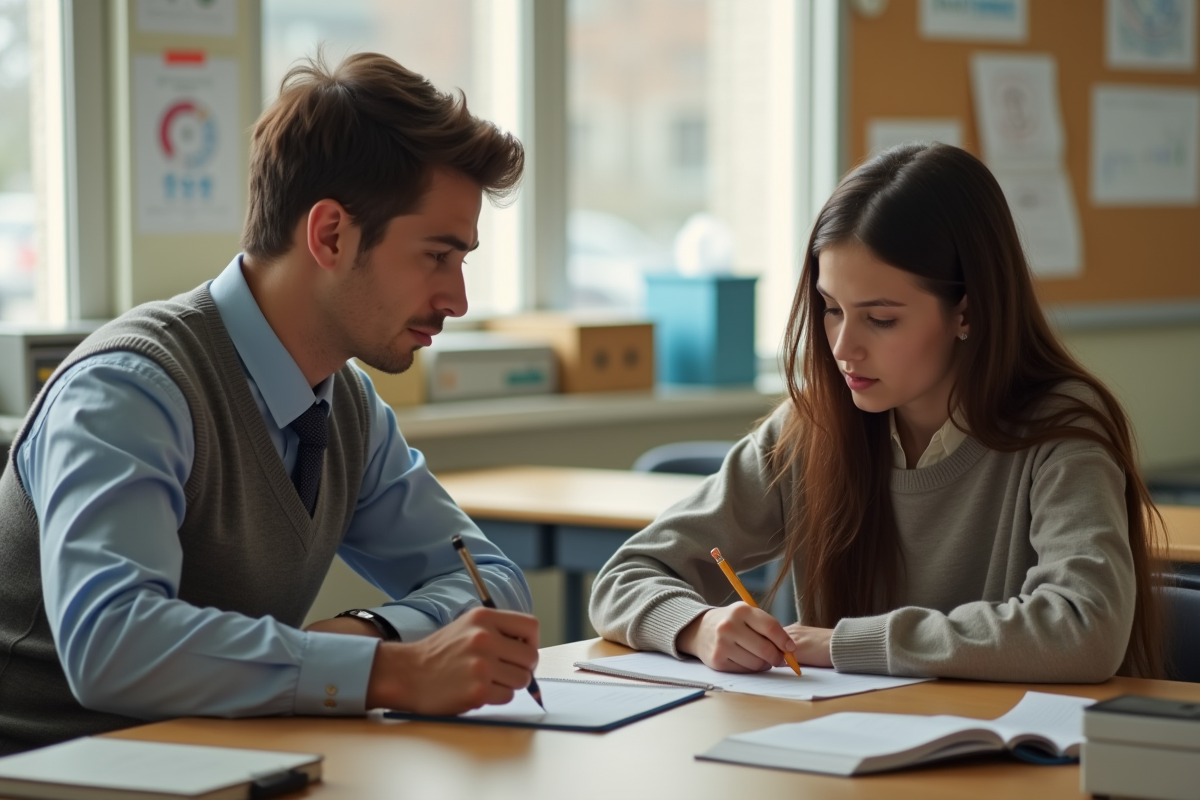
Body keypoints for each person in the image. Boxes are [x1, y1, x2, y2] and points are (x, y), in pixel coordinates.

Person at [0, 53, 540, 755]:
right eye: (437, 256)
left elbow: (494, 583)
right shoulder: (129, 389)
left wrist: (370, 633)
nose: (457, 301)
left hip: (216, 763)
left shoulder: (345, 407)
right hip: (55, 773)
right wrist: (392, 671)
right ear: (329, 235)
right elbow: (112, 643)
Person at [589, 142, 1165, 683]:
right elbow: (623, 577)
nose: (843, 349)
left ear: (968, 311)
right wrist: (697, 625)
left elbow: (1086, 628)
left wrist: (845, 644)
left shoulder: (1061, 428)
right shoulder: (811, 425)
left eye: (881, 318)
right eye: (832, 309)